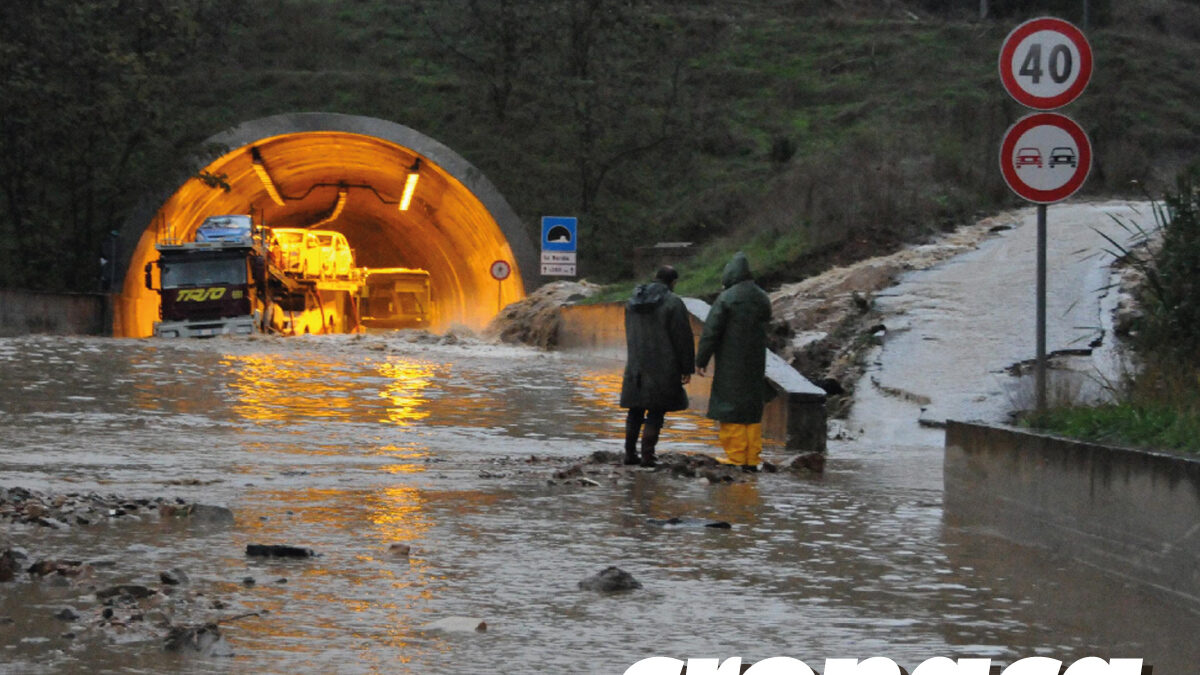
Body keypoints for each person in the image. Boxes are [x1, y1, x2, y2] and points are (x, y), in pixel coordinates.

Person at [695, 252, 772, 472]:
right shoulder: (761, 296)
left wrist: (701, 359)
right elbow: (768, 317)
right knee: (751, 409)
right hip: (756, 360)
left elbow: (711, 331)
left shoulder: (727, 298)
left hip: (731, 361)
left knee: (730, 406)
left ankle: (736, 457)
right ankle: (752, 457)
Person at [619, 265, 696, 468]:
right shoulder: (673, 303)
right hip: (663, 366)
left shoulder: (632, 302)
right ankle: (647, 456)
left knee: (635, 410)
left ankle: (629, 454)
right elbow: (683, 338)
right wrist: (687, 367)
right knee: (656, 410)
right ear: (673, 283)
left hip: (636, 364)